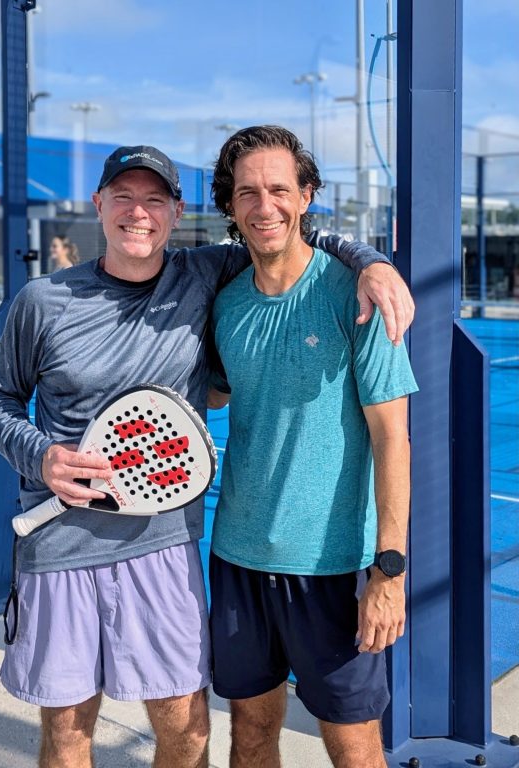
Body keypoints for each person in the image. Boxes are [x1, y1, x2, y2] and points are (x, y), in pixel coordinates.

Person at [0, 144, 414, 768]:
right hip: (72, 551)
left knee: (191, 736)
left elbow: (287, 238)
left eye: (154, 199)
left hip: (174, 553)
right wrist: (39, 455)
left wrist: (371, 261)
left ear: (177, 212)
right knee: (71, 735)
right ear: (98, 205)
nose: (138, 213)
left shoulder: (213, 277)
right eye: (122, 197)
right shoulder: (48, 301)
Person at [207, 125, 418, 768]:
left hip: (333, 567)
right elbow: (215, 396)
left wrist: (388, 571)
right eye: (247, 192)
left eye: (278, 189)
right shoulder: (226, 303)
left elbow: (392, 440)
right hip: (237, 557)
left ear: (306, 197)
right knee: (249, 734)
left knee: (354, 749)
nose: (263, 205)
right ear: (230, 204)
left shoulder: (358, 296)